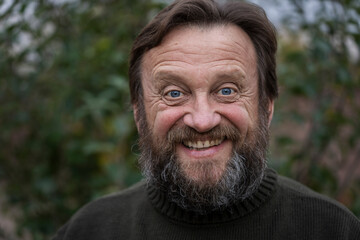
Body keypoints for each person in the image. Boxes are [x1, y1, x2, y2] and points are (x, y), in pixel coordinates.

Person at [52, 0, 360, 239]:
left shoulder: (334, 230)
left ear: (266, 107)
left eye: (226, 90)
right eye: (174, 93)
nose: (202, 120)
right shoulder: (89, 231)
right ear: (138, 113)